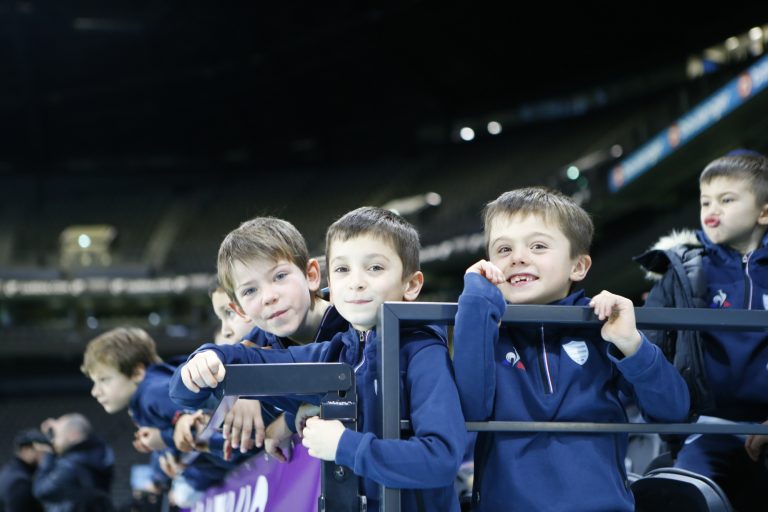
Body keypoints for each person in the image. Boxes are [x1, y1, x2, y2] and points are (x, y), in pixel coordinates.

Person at [170, 206, 466, 512]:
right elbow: (210, 379)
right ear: (330, 281)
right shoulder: (338, 350)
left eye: (375, 268)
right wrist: (207, 358)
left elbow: (441, 458)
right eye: (342, 270)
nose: (356, 282)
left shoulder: (421, 351)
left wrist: (342, 445)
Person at [453, 187, 690, 512]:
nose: (518, 257)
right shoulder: (487, 331)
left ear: (578, 266)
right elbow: (470, 411)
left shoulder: (601, 328)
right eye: (503, 249)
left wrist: (632, 344)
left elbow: (673, 411)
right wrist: (476, 305)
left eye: (538, 246)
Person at [635, 152, 768, 510]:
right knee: (682, 496)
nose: (713, 209)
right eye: (706, 201)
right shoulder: (678, 271)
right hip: (704, 428)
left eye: (727, 200)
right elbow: (653, 351)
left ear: (764, 212)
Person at [81, 327, 246, 496]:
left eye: (104, 380)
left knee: (183, 495)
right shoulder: (147, 395)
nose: (95, 391)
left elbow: (198, 424)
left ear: (137, 372)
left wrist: (164, 440)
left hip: (240, 455)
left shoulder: (151, 393)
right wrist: (158, 473)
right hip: (234, 460)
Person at [32, 414, 114, 512]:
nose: (54, 441)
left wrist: (50, 452)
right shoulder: (101, 453)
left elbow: (41, 491)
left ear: (72, 435)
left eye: (57, 435)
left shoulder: (69, 466)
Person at [0, 429, 48, 512]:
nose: (44, 456)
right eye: (42, 452)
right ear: (26, 450)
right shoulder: (19, 481)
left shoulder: (12, 472)